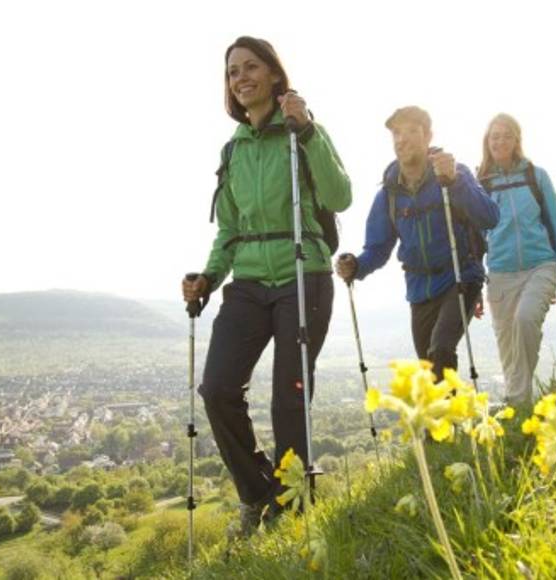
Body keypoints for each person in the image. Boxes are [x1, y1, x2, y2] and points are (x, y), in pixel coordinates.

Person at [181, 36, 351, 536]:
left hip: (305, 275)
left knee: (288, 397)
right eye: (233, 71)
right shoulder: (232, 150)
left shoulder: (304, 133)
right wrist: (209, 277)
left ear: (275, 75)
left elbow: (339, 195)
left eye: (250, 67)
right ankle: (259, 493)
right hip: (250, 281)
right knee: (216, 388)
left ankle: (296, 505)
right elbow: (229, 231)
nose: (241, 77)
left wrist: (309, 131)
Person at [335, 106, 498, 377]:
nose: (402, 139)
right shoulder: (389, 193)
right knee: (429, 370)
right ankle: (446, 418)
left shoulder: (453, 173)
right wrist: (356, 266)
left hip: (461, 278)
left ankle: (447, 416)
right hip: (420, 289)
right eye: (397, 133)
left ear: (428, 135)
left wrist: (455, 181)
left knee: (441, 350)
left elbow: (490, 217)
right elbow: (377, 248)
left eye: (411, 131)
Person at [476, 114, 556, 408]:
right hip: (500, 273)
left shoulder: (536, 176)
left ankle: (516, 401)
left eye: (506, 135)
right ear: (487, 141)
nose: (500, 141)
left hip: (540, 265)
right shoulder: (481, 184)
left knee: (526, 319)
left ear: (517, 140)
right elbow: (475, 238)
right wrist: (473, 285)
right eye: (494, 135)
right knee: (507, 348)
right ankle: (521, 413)